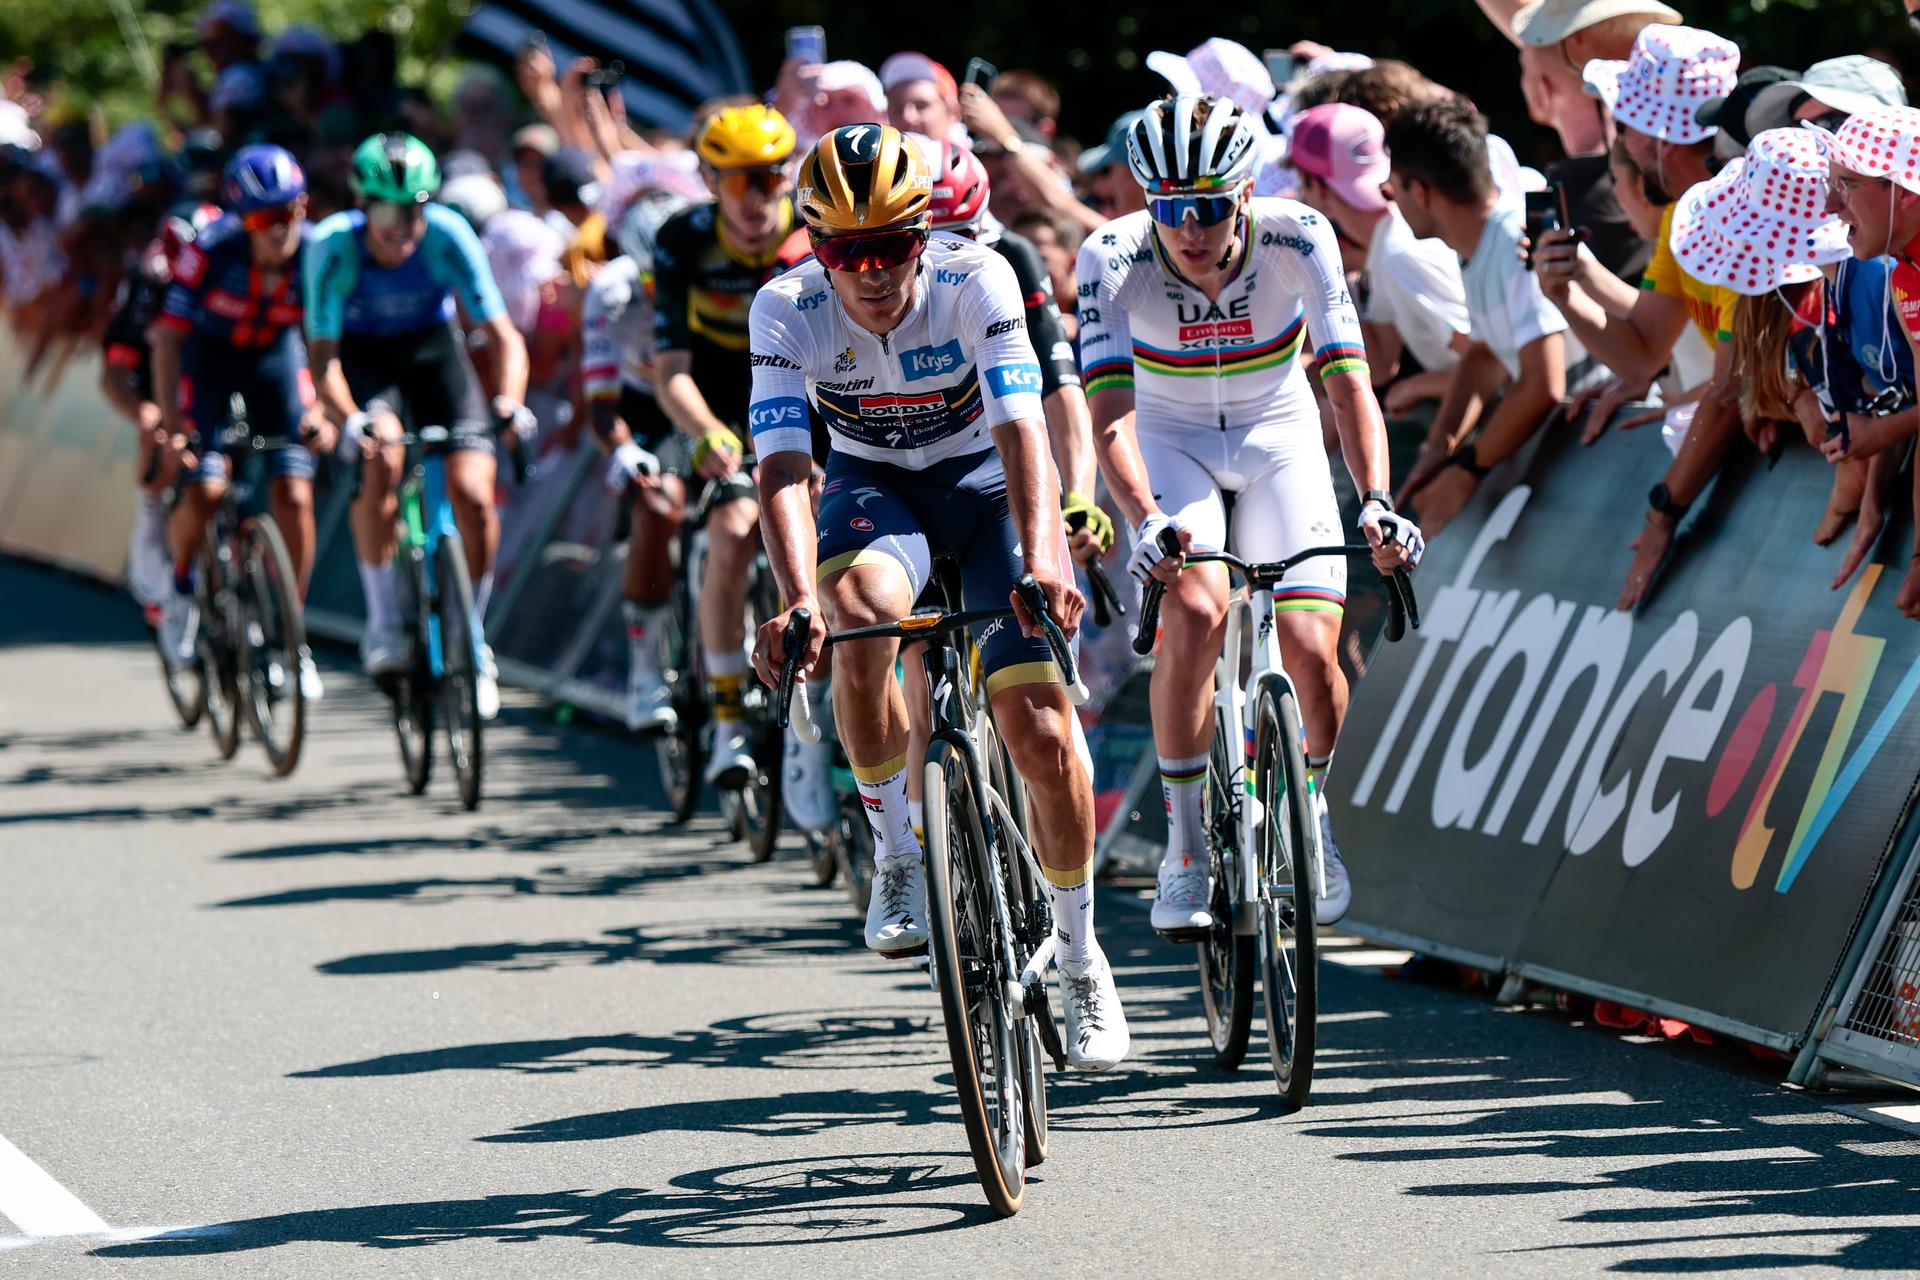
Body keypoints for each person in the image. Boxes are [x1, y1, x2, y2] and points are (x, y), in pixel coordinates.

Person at [748, 123, 1130, 1070]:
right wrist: (798, 600)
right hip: (876, 489)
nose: (873, 272)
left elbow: (1023, 431)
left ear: (924, 236)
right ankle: (897, 856)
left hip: (987, 489)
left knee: (1040, 732)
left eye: (892, 246)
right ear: (815, 246)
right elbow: (785, 467)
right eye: (847, 252)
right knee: (858, 615)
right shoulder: (785, 307)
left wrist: (1045, 558)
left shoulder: (978, 278)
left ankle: (1081, 957)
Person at [1077, 94, 1423, 936]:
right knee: (1195, 610)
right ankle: (1186, 849)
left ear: (1245, 193)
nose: (1189, 229)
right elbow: (1110, 416)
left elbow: (1348, 384)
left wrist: (1377, 498)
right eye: (1168, 209)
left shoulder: (1298, 235)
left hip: (1279, 435)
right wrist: (1145, 516)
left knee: (1311, 645)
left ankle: (1313, 814)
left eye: (1208, 207)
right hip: (1171, 441)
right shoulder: (1112, 255)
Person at [303, 133, 535, 718]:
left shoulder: (449, 234)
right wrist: (350, 419)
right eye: (387, 212)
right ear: (362, 206)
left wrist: (510, 402)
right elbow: (323, 359)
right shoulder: (331, 245)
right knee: (381, 457)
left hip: (433, 353)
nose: (403, 227)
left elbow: (504, 337)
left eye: (414, 210)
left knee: (475, 495)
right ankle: (383, 623)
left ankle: (470, 638)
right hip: (364, 361)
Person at [1533, 26, 1743, 611]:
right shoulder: (1684, 213)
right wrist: (1565, 294)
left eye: (1623, 123)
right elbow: (1643, 352)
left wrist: (1661, 515)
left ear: (1660, 139)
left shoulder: (1740, 209)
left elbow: (1732, 391)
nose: (1618, 138)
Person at [648, 104, 812, 790]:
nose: (756, 196)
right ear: (711, 180)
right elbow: (669, 371)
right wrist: (706, 431)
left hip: (801, 394)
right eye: (739, 180)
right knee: (735, 528)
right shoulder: (682, 240)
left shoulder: (814, 229)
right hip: (713, 397)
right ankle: (725, 722)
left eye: (770, 177)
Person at [152, 145, 324, 698]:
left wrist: (322, 408)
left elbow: (328, 343)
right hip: (210, 364)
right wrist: (174, 423)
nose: (278, 228)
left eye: (289, 211)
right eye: (261, 219)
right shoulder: (211, 251)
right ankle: (181, 590)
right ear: (241, 221)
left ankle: (291, 630)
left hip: (275, 362)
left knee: (294, 493)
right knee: (206, 486)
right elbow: (167, 340)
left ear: (303, 206)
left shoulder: (317, 253)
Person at [1387, 99, 1570, 536]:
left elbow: (1544, 383)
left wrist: (1466, 471)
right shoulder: (1480, 242)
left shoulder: (1512, 240)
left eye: (1392, 188)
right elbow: (1486, 355)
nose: (1391, 200)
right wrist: (1439, 447)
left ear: (1421, 192)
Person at [1288, 103, 1470, 415]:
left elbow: (1494, 365)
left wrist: (1417, 386)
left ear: (1315, 187)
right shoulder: (1386, 241)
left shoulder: (1399, 256)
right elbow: (1381, 363)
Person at [584, 195, 688, 733]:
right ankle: (645, 672)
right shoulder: (611, 292)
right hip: (641, 404)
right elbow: (599, 403)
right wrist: (623, 450)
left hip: (704, 392)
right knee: (658, 505)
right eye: (653, 281)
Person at [101, 201, 220, 610]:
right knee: (159, 434)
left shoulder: (234, 269)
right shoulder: (149, 282)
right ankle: (151, 518)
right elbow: (115, 371)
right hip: (159, 381)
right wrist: (144, 411)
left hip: (214, 378)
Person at [1827, 106, 1920, 619]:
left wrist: (1884, 432)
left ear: (1904, 191)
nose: (1831, 205)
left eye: (1847, 185)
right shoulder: (1905, 272)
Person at [881, 53, 959, 145]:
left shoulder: (972, 153)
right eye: (897, 109)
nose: (908, 117)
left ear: (953, 112)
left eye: (921, 106)